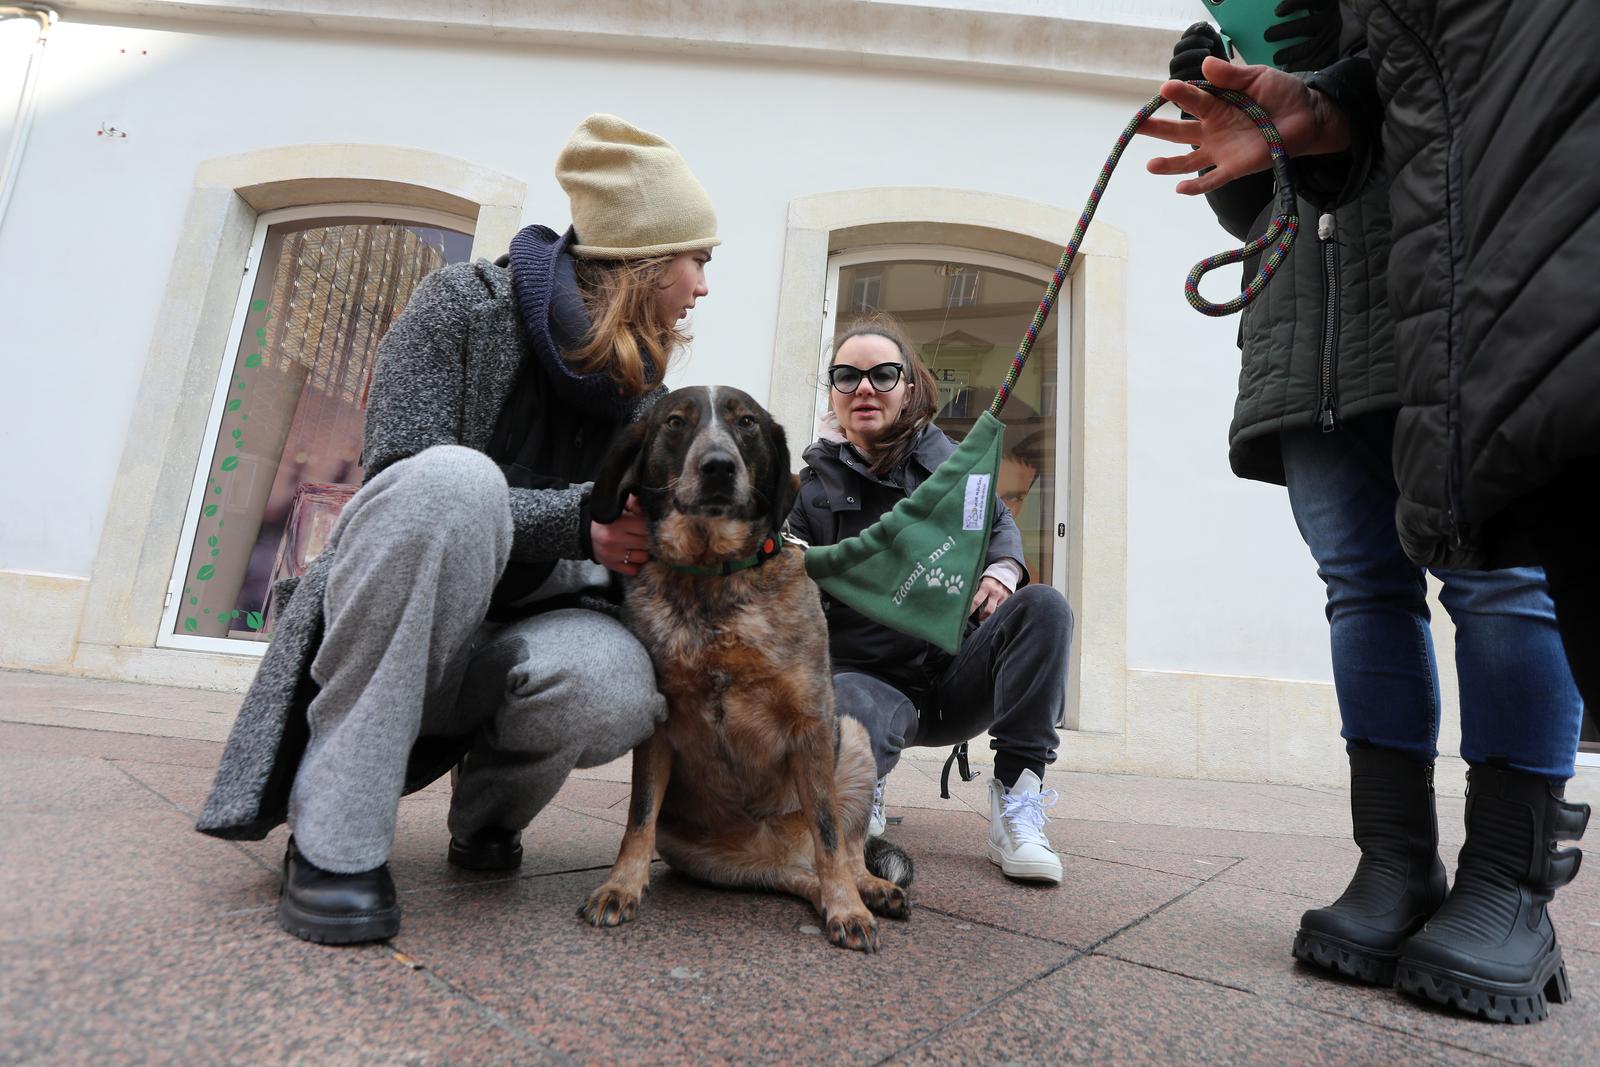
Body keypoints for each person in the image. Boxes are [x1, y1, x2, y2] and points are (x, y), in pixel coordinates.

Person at [1144, 2, 1594, 1023]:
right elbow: (1257, 209)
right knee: (1359, 587)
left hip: (1451, 285)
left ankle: (1508, 883)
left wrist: (1347, 76)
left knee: (1498, 573)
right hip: (1311, 322)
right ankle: (1393, 862)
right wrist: (1242, 128)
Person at [196, 114, 718, 944]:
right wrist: (581, 525)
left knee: (614, 680)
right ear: (644, 259)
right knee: (452, 478)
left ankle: (485, 816)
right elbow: (402, 483)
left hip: (527, 634)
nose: (701, 285)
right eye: (698, 259)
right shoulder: (460, 307)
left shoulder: (645, 392)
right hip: (405, 626)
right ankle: (336, 838)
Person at [786, 315, 1076, 886]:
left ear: (910, 386)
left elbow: (997, 524)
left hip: (955, 671)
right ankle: (861, 786)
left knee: (1045, 607)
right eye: (846, 376)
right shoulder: (810, 492)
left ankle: (1018, 801)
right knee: (846, 698)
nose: (863, 388)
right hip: (868, 679)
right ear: (834, 393)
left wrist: (1004, 568)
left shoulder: (955, 470)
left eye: (881, 374)